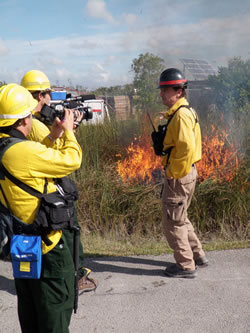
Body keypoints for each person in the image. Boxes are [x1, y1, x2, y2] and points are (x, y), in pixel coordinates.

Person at [0, 83, 82, 332]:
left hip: (21, 245)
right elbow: (72, 159)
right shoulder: (22, 151)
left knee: (31, 307)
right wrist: (69, 132)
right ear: (23, 119)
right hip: (47, 246)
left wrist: (53, 136)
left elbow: (29, 161)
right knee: (55, 309)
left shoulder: (7, 149)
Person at [20, 70, 98, 292]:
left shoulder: (26, 121)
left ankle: (33, 280)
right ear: (39, 95)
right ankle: (76, 277)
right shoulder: (34, 125)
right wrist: (68, 132)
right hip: (47, 188)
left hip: (32, 189)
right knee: (69, 231)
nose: (48, 99)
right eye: (47, 94)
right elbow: (59, 157)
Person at [157, 68, 208, 278]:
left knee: (173, 222)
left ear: (178, 91)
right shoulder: (185, 111)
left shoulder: (181, 116)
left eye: (165, 90)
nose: (161, 94)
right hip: (188, 173)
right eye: (161, 89)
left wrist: (172, 173)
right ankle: (198, 256)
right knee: (181, 217)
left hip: (180, 175)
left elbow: (185, 147)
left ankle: (186, 265)